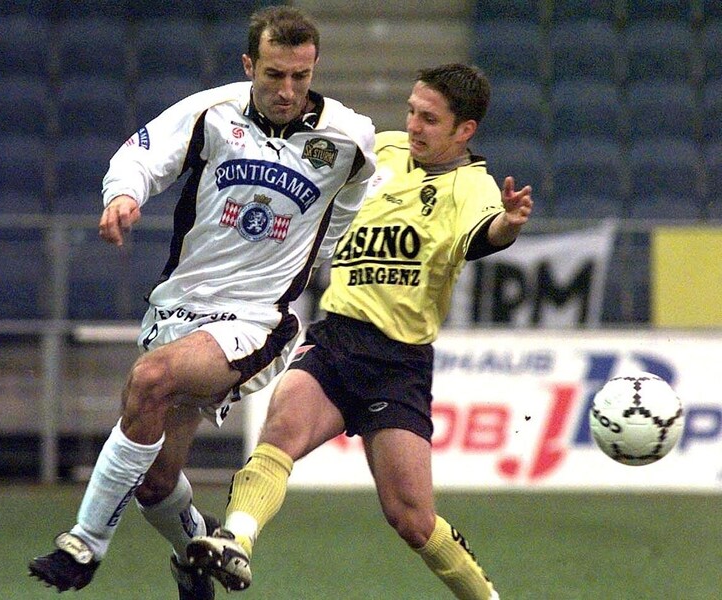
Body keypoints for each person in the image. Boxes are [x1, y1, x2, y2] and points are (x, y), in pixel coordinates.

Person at [28, 6, 376, 599]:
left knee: (152, 379)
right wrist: (123, 196)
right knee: (156, 482)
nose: (288, 90)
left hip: (256, 318)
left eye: (301, 75)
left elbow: (351, 200)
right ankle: (196, 546)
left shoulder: (348, 137)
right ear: (248, 66)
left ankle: (84, 543)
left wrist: (320, 259)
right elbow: (141, 155)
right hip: (178, 307)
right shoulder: (212, 112)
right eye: (273, 75)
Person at [184, 63, 533, 600]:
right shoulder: (380, 150)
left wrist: (506, 226)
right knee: (279, 434)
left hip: (399, 363)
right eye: (413, 111)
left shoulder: (473, 185)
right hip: (338, 338)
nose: (413, 125)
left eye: (430, 120)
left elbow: (484, 233)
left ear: (464, 131)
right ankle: (237, 540)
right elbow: (311, 145)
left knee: (413, 521)